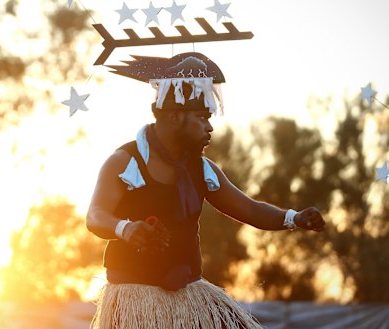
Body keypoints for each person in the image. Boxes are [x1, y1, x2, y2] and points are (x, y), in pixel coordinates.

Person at [85, 52, 326, 329]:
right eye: (201, 117)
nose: (209, 127)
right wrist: (125, 229)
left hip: (190, 294)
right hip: (135, 302)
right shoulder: (125, 162)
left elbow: (248, 209)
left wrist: (293, 218)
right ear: (175, 116)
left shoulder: (201, 169)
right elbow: (96, 216)